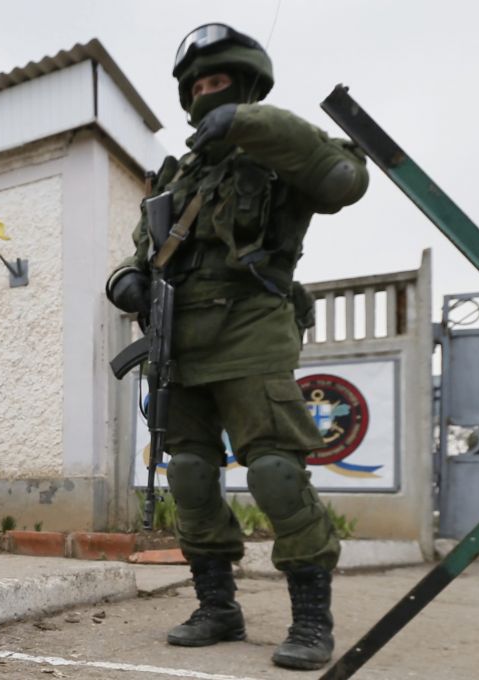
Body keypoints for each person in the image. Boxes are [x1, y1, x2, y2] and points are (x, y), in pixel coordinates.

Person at [106, 23, 369, 670]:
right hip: (178, 338)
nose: (202, 92)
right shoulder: (178, 178)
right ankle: (216, 606)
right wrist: (128, 280)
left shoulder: (282, 149)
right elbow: (141, 252)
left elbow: (344, 181)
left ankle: (311, 618)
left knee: (276, 471)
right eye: (195, 85)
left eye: (216, 81)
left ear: (247, 85)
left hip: (252, 323)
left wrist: (250, 123)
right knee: (190, 475)